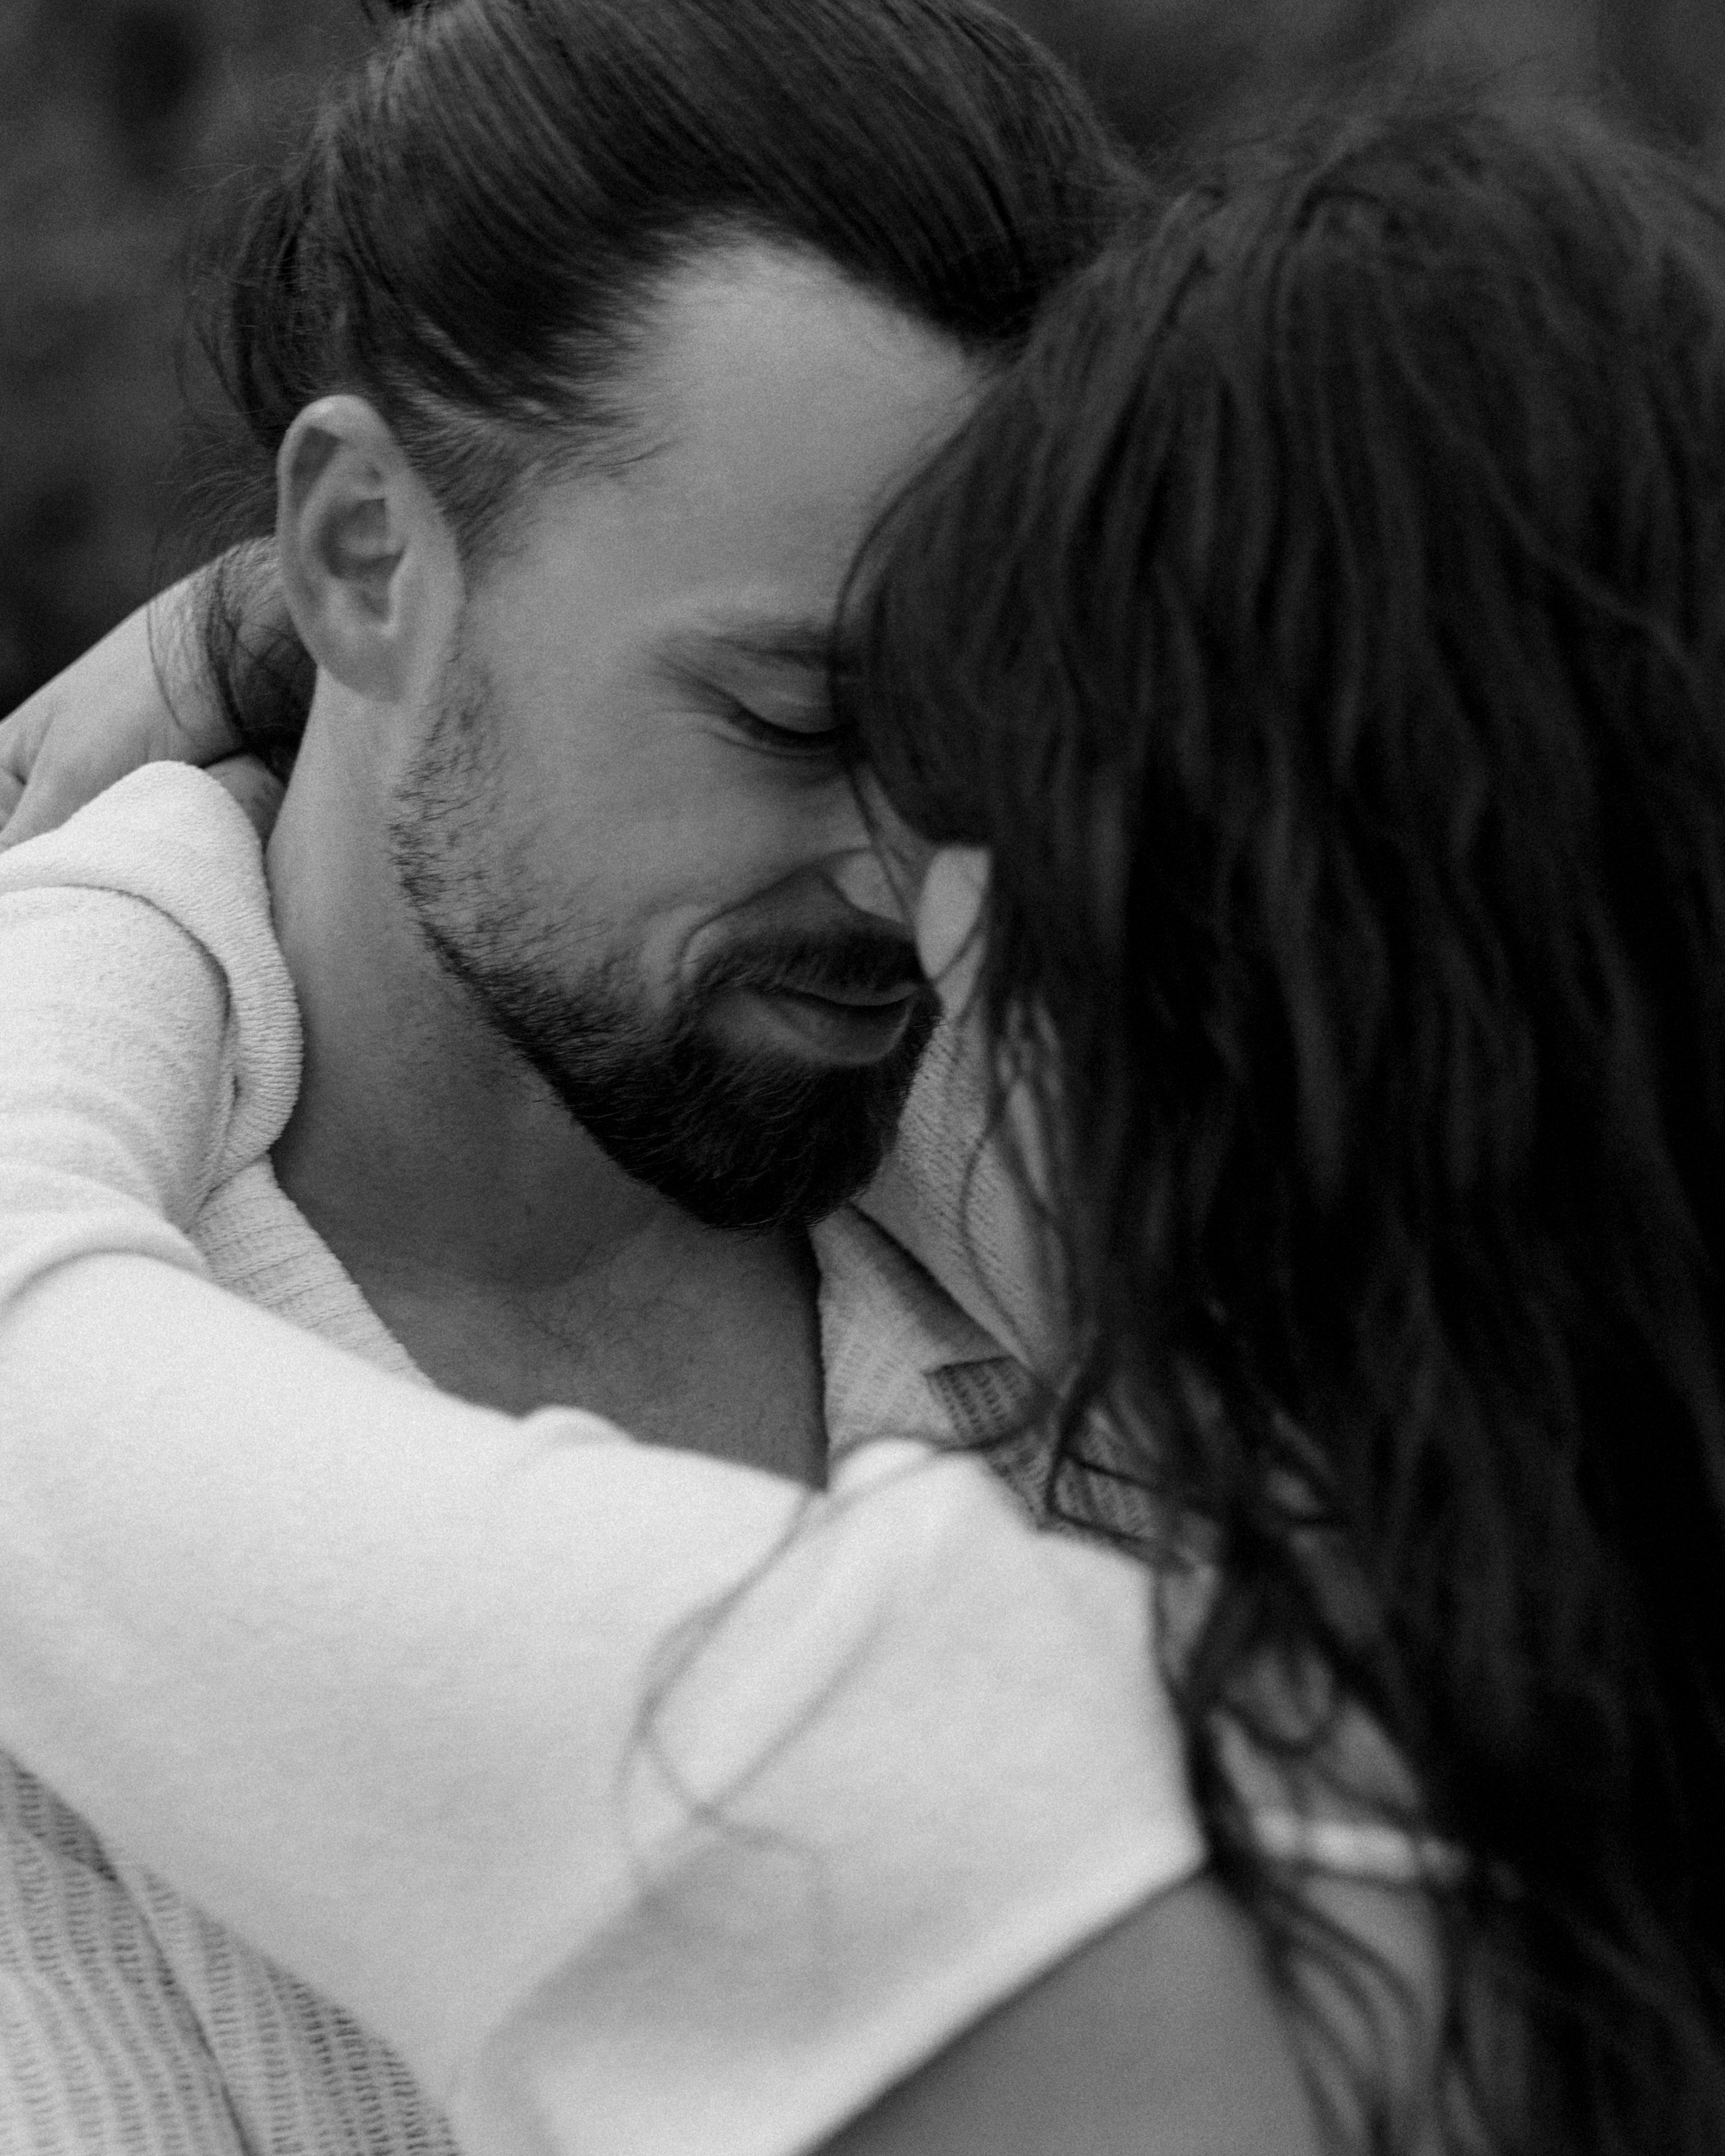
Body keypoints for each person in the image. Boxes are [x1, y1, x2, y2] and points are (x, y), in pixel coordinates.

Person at [6, 82, 1725, 2156]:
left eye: (1002, 781)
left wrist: (136, 845)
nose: (918, 875)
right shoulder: (1567, 1697)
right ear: (367, 544)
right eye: (797, 714)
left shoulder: (914, 1763)